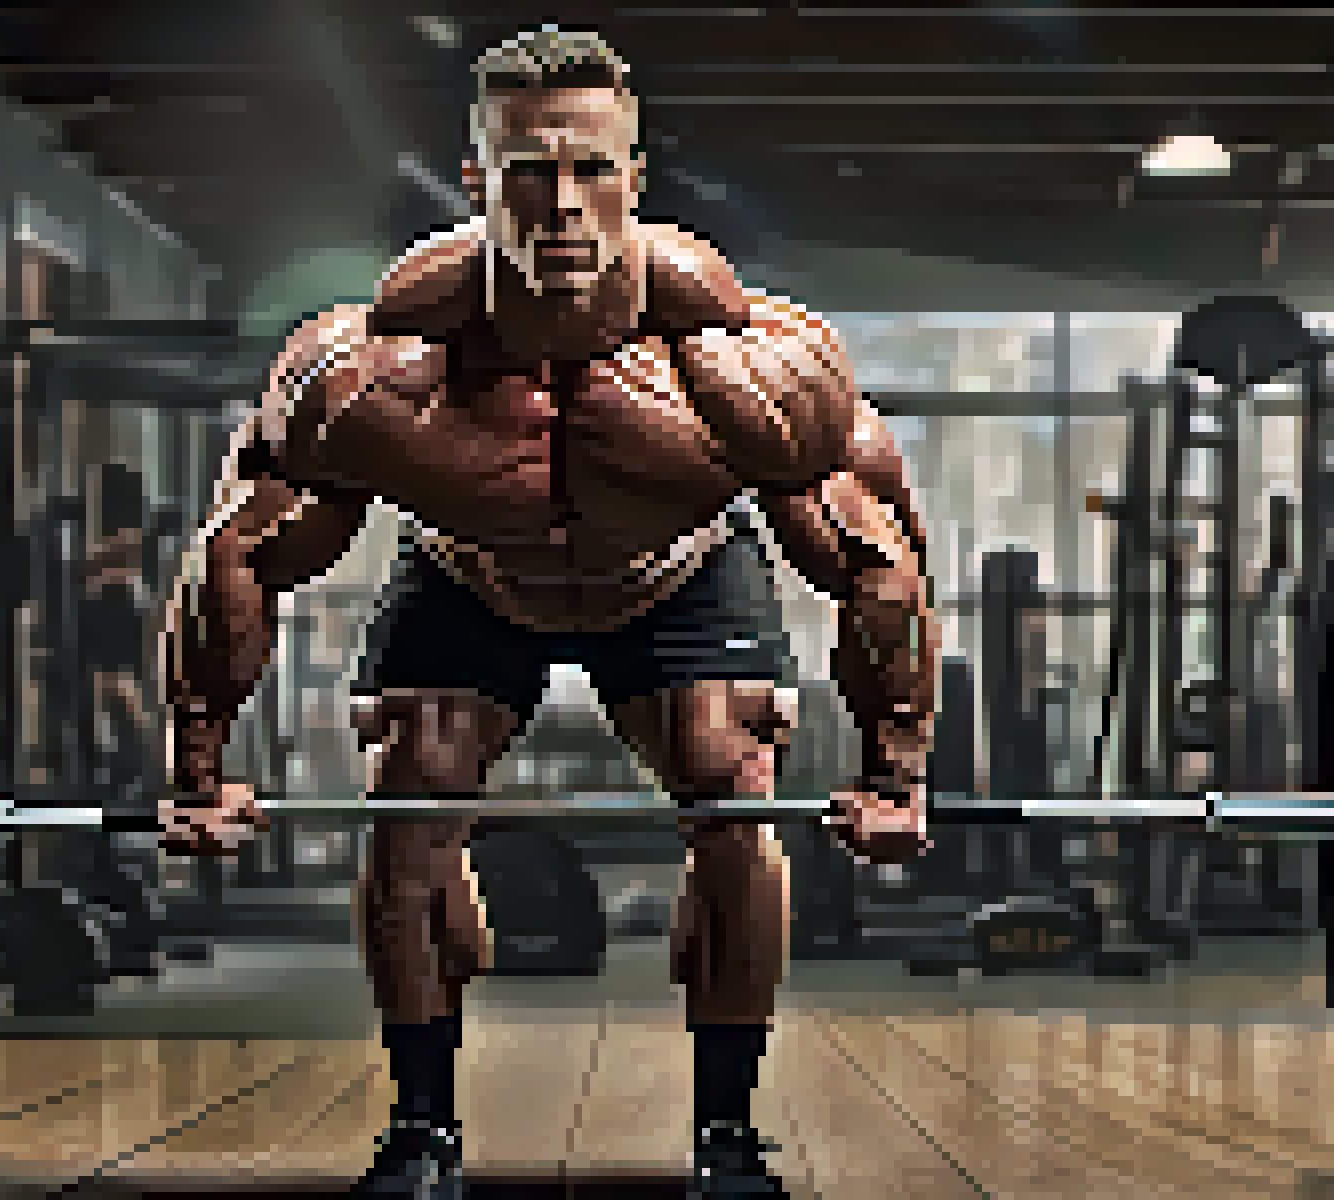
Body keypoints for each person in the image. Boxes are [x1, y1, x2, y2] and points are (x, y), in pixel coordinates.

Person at [154, 25, 938, 1199]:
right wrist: (200, 767)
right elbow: (241, 553)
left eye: (592, 170)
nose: (562, 204)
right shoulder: (378, 369)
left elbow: (876, 558)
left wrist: (896, 771)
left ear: (636, 176)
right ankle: (423, 1130)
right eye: (528, 172)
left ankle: (727, 1134)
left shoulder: (746, 368)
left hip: (674, 571)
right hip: (472, 575)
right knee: (409, 796)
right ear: (478, 183)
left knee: (733, 790)